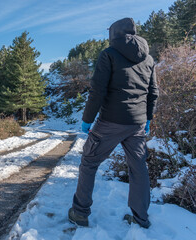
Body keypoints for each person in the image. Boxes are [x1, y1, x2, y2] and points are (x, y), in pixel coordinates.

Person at [68, 17, 159, 229]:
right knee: (139, 168)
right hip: (136, 124)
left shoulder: (108, 54)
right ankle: (141, 218)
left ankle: (80, 212)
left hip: (110, 121)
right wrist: (148, 118)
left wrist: (87, 120)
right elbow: (153, 92)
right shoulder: (149, 59)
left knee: (89, 161)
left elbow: (97, 90)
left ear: (114, 34)